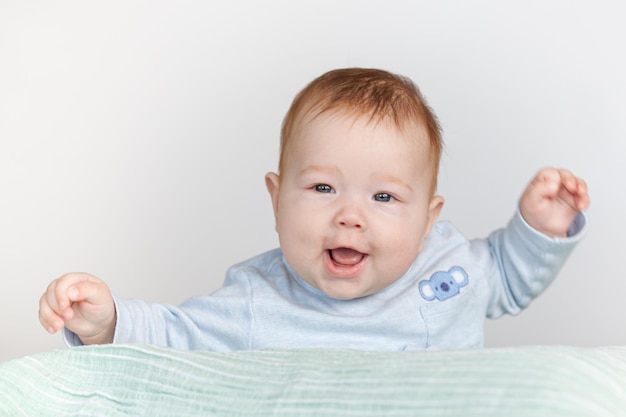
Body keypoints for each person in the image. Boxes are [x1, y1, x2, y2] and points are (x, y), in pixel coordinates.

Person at [39, 68, 589, 351]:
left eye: (384, 197)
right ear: (277, 200)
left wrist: (540, 228)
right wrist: (108, 322)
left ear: (428, 220)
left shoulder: (448, 267)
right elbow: (176, 333)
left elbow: (509, 277)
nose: (350, 216)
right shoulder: (259, 297)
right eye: (324, 188)